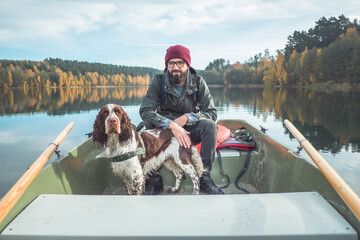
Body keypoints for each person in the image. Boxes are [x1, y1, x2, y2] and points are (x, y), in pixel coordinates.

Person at [137, 44, 224, 195]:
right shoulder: (158, 81)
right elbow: (145, 110)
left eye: (180, 63)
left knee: (209, 125)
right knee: (144, 126)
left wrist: (188, 117)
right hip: (163, 130)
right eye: (171, 63)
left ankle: (204, 177)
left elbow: (211, 112)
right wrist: (170, 124)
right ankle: (153, 178)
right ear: (167, 65)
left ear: (187, 65)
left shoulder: (198, 82)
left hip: (189, 131)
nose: (175, 67)